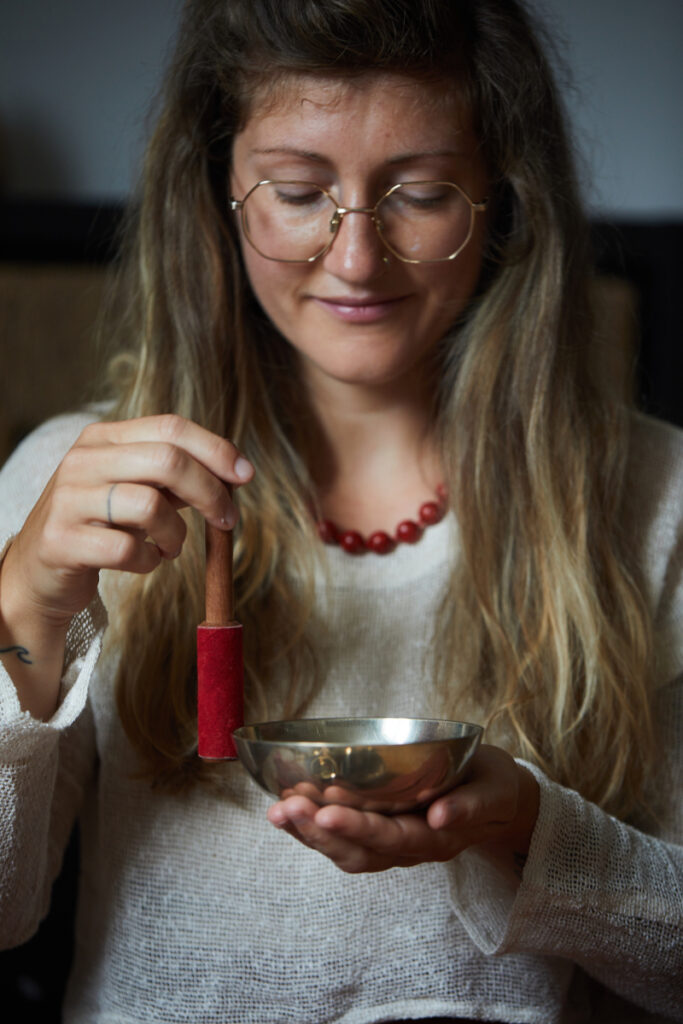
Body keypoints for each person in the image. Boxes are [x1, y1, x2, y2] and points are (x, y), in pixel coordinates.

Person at [0, 0, 681, 1021]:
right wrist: (22, 614)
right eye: (295, 190)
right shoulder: (72, 486)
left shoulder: (655, 494)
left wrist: (531, 829)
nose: (355, 259)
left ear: (500, 193)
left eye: (419, 193)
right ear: (216, 188)